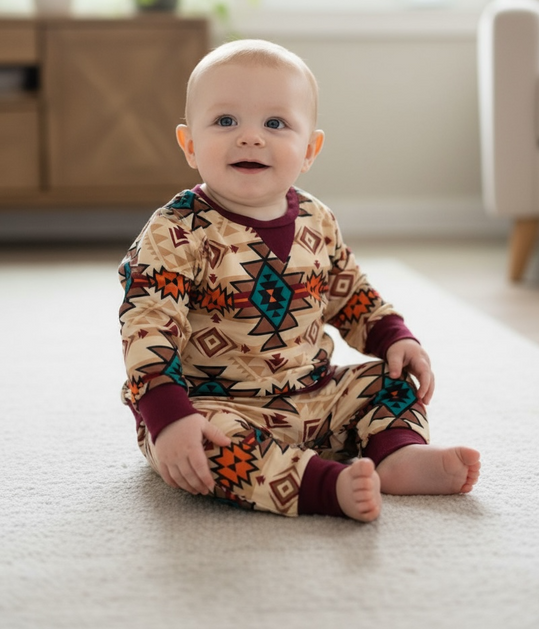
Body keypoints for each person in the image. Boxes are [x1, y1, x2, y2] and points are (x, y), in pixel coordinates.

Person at [119, 39, 480, 521]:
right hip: (215, 405)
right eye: (225, 121)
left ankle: (398, 455)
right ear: (189, 144)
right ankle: (323, 487)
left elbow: (349, 291)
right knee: (203, 450)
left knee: (389, 381)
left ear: (309, 150)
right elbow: (147, 326)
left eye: (275, 123)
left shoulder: (317, 218)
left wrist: (394, 336)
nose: (250, 137)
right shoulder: (175, 232)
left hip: (315, 395)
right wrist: (168, 415)